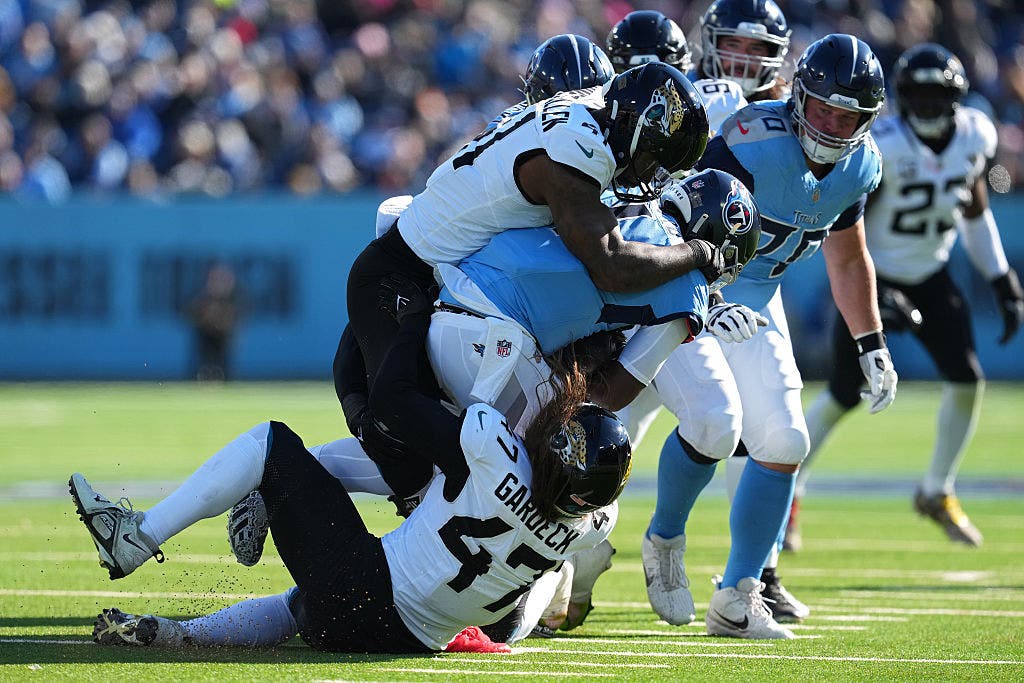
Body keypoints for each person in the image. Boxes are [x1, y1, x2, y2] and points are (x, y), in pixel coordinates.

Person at [70, 277, 631, 653]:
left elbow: (401, 401)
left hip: (363, 588)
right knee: (303, 604)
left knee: (270, 443)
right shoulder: (591, 524)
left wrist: (416, 320)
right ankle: (179, 635)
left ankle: (138, 536)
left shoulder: (492, 452)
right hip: (414, 640)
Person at [344, 61, 715, 513]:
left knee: (427, 447)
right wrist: (698, 253)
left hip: (436, 275)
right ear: (634, 125)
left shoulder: (589, 108)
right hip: (405, 276)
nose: (652, 173)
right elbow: (611, 267)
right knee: (405, 440)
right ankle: (292, 486)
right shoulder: (579, 150)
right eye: (654, 157)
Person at [637, 34, 897, 640]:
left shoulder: (860, 165)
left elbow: (847, 257)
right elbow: (674, 226)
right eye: (823, 109)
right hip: (687, 290)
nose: (831, 126)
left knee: (785, 438)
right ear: (799, 97)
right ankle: (664, 539)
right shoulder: (749, 141)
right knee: (715, 425)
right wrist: (709, 298)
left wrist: (871, 341)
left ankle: (738, 595)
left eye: (847, 116)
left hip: (757, 299)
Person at [792, 44, 1024, 550]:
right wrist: (872, 296)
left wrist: (1000, 277)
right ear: (900, 97)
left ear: (957, 98)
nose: (929, 105)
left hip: (931, 273)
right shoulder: (885, 147)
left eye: (938, 95)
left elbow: (974, 208)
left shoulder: (975, 135)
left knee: (967, 379)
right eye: (919, 95)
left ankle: (937, 490)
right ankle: (790, 489)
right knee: (844, 392)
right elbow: (846, 228)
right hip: (873, 274)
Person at [187, 263, 240, 381]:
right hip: (206, 334)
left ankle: (225, 379)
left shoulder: (232, 298)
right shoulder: (202, 297)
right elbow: (191, 313)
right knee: (204, 360)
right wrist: (206, 317)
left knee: (223, 361)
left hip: (222, 335)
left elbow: (237, 317)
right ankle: (199, 378)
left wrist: (222, 319)